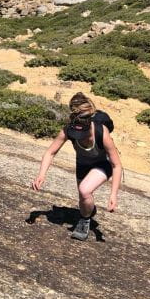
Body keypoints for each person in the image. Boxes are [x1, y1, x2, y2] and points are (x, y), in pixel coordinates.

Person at [31, 92, 123, 241]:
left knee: (84, 190)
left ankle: (84, 221)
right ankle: (88, 212)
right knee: (84, 198)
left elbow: (117, 165)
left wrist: (113, 195)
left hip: (103, 163)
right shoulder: (69, 130)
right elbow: (50, 152)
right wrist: (41, 175)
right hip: (83, 164)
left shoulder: (101, 132)